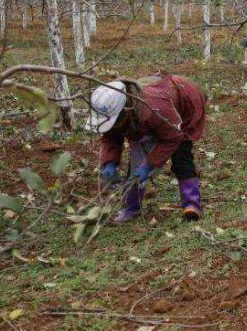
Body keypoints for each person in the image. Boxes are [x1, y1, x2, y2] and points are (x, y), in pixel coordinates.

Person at [86, 74, 207, 222]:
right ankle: (132, 206)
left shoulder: (154, 108)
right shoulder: (118, 112)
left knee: (181, 154)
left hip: (185, 104)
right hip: (158, 117)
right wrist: (109, 162)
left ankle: (191, 204)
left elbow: (173, 138)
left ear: (125, 110)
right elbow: (111, 135)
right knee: (136, 163)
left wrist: (149, 164)